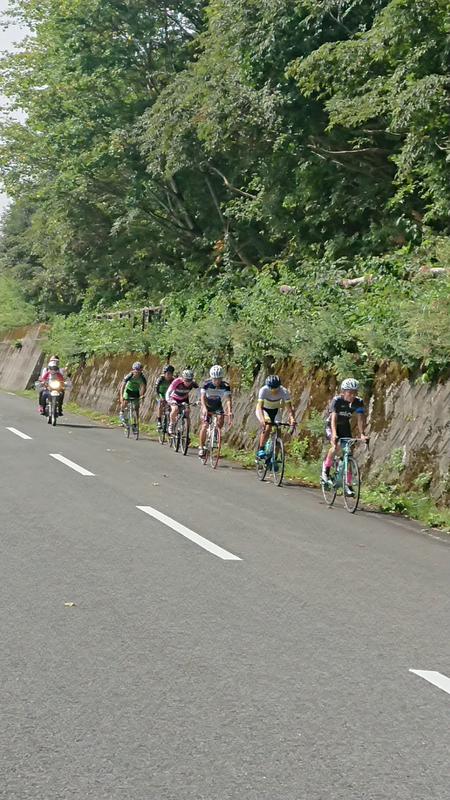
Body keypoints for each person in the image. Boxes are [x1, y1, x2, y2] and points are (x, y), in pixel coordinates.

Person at [321, 378, 368, 496]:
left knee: (349, 453)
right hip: (332, 425)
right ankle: (325, 471)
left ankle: (348, 484)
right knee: (335, 447)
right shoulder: (337, 400)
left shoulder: (358, 402)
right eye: (349, 392)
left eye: (355, 392)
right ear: (343, 391)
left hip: (345, 426)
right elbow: (334, 418)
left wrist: (362, 433)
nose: (352, 395)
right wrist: (334, 434)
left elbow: (360, 419)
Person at [255, 375, 296, 458]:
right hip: (264, 410)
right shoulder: (263, 390)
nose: (273, 390)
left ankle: (274, 458)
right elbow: (260, 407)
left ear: (279, 386)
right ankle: (261, 449)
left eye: (276, 388)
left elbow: (289, 407)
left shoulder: (284, 391)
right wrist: (263, 420)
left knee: (278, 432)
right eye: (271, 388)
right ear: (268, 386)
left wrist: (292, 418)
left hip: (275, 410)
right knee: (268, 426)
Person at [198, 365, 233, 458]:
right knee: (205, 425)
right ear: (211, 378)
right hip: (207, 405)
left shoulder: (225, 385)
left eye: (219, 379)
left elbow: (228, 399)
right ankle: (201, 448)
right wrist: (204, 408)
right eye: (215, 379)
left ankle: (216, 432)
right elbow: (202, 397)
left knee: (221, 418)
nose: (217, 381)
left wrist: (230, 411)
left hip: (217, 405)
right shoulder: (206, 384)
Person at [165, 369, 199, 434]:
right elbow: (168, 392)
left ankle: (187, 434)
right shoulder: (177, 381)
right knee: (175, 409)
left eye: (190, 380)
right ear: (183, 378)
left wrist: (199, 401)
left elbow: (199, 392)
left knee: (187, 412)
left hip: (184, 399)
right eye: (186, 380)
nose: (188, 382)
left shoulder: (193, 383)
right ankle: (171, 424)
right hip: (174, 398)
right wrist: (169, 400)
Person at [119, 362, 147, 429]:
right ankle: (122, 412)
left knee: (136, 408)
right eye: (136, 370)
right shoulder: (129, 376)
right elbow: (122, 386)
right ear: (133, 370)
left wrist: (142, 395)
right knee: (125, 402)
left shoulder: (142, 377)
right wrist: (121, 396)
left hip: (136, 392)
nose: (137, 372)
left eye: (139, 370)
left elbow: (144, 387)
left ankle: (136, 424)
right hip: (128, 391)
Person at [155, 365, 175, 429]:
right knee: (160, 403)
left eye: (171, 374)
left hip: (169, 395)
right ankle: (159, 421)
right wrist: (160, 397)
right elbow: (156, 390)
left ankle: (170, 424)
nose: (169, 375)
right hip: (160, 394)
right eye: (168, 373)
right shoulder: (160, 379)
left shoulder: (173, 380)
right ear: (164, 373)